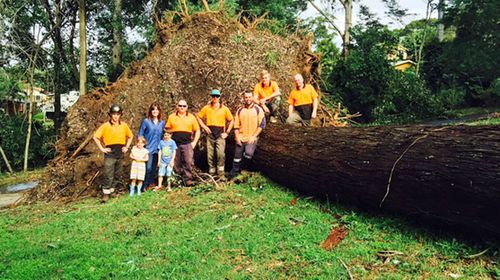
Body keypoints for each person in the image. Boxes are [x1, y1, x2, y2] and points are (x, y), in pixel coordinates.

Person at [93, 104, 133, 202]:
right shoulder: (105, 126)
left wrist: (127, 147)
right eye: (114, 114)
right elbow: (95, 137)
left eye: (118, 114)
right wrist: (102, 148)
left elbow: (130, 136)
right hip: (110, 153)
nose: (115, 116)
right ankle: (106, 193)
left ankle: (113, 191)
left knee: (117, 173)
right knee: (108, 173)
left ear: (120, 115)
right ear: (110, 115)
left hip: (120, 153)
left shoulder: (124, 125)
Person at [196, 89, 234, 179]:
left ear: (219, 97)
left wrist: (227, 132)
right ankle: (212, 174)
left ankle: (221, 174)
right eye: (213, 96)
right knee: (210, 155)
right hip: (210, 134)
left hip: (220, 134)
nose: (215, 98)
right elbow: (198, 117)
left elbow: (231, 120)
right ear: (211, 97)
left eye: (217, 96)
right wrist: (204, 127)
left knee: (220, 154)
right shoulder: (207, 108)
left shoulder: (224, 109)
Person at [229, 92, 266, 178]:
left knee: (248, 154)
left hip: (251, 137)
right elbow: (236, 125)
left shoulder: (258, 109)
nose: (248, 99)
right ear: (244, 98)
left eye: (249, 97)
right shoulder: (240, 110)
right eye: (246, 97)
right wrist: (237, 137)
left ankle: (242, 171)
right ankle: (233, 174)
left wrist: (254, 136)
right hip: (241, 137)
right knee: (237, 157)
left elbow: (262, 124)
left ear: (252, 98)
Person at [166, 99, 200, 186]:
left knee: (188, 161)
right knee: (176, 162)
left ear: (187, 107)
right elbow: (166, 130)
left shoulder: (191, 117)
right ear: (177, 106)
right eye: (180, 106)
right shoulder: (171, 117)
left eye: (184, 106)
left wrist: (194, 142)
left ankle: (188, 180)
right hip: (174, 144)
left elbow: (197, 130)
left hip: (187, 143)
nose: (182, 107)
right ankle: (178, 180)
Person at [137, 102, 165, 190]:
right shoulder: (146, 121)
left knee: (154, 168)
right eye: (153, 109)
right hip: (148, 149)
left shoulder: (162, 122)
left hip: (158, 149)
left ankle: (150, 184)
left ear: (159, 111)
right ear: (150, 111)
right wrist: (141, 146)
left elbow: (165, 135)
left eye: (157, 109)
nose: (155, 111)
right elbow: (140, 134)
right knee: (148, 168)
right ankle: (143, 186)